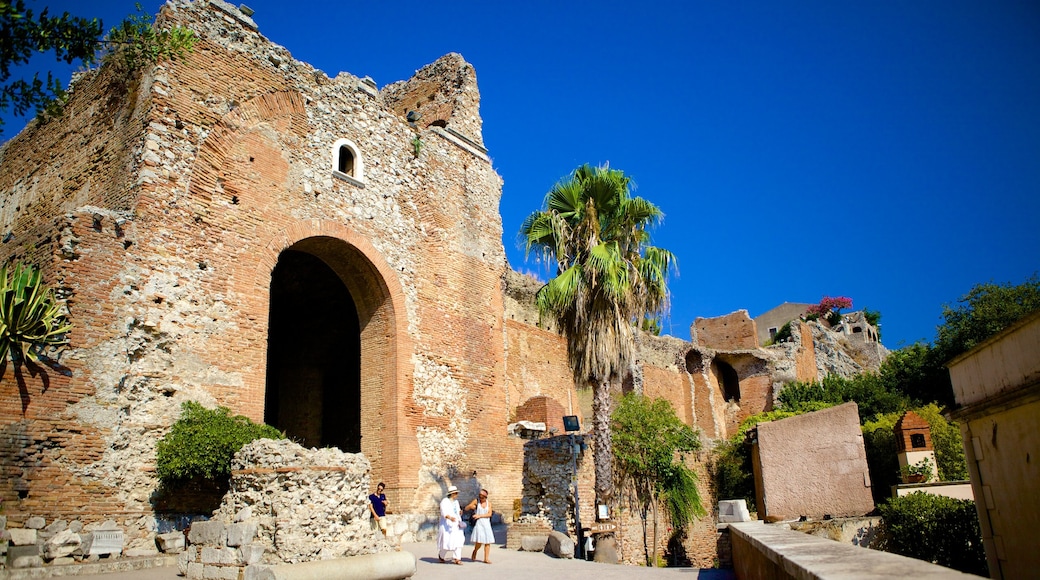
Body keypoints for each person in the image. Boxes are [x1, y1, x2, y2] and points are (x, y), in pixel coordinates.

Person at [437, 485, 465, 565]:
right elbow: (443, 512)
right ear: (452, 494)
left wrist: (460, 513)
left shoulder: (456, 502)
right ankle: (441, 556)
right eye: (456, 493)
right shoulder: (444, 501)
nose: (457, 495)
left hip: (457, 524)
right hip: (447, 525)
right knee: (447, 541)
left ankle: (457, 558)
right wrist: (449, 518)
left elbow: (458, 511)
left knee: (458, 541)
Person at [465, 488, 494, 563]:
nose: (480, 497)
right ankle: (475, 551)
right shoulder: (476, 501)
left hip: (486, 523)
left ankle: (486, 558)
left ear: (485, 497)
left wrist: (479, 516)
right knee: (479, 541)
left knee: (488, 542)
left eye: (482, 496)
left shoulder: (489, 504)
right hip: (479, 524)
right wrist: (471, 506)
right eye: (479, 495)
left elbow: (489, 514)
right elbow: (466, 508)